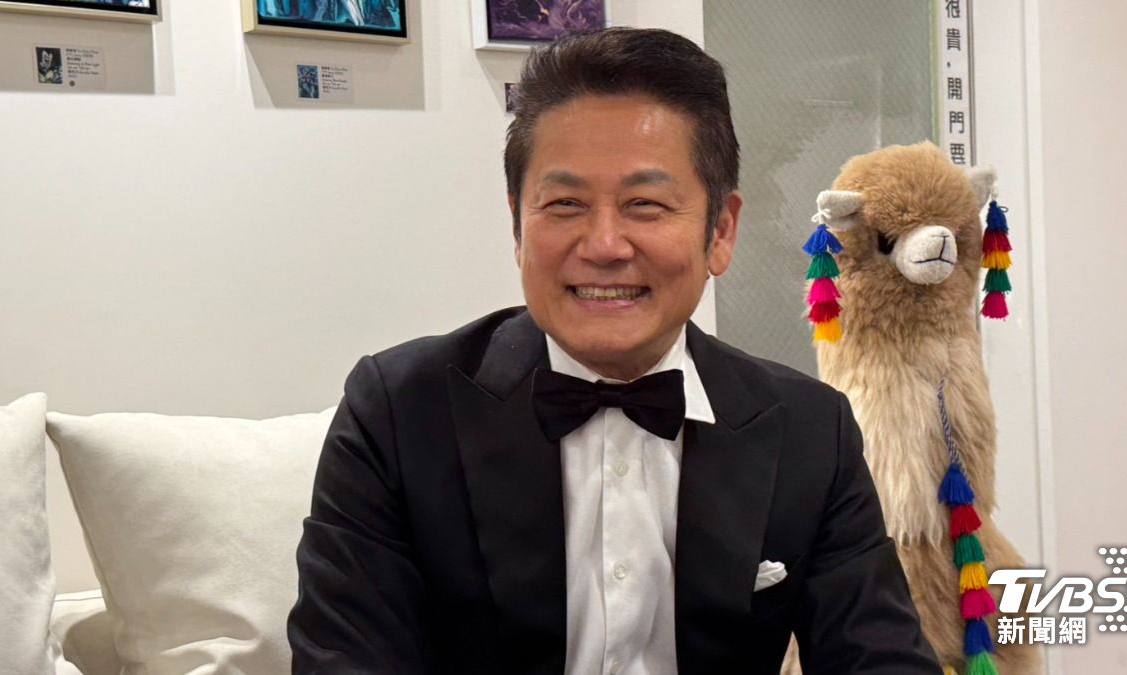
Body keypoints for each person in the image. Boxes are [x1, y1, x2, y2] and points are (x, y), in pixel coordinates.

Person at [288, 27, 940, 675]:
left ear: (720, 230)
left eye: (645, 205)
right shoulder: (398, 414)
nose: (604, 244)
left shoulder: (810, 431)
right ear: (518, 226)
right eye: (564, 203)